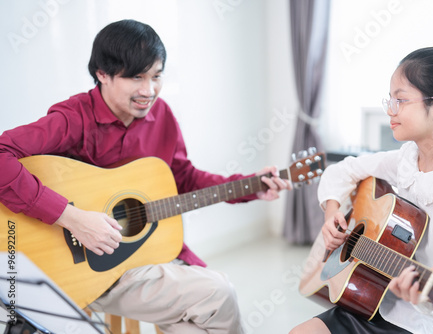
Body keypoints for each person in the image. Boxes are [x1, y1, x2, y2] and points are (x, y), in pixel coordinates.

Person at [0, 19, 291, 333]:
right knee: (218, 293)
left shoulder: (161, 114)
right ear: (102, 74)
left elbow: (184, 178)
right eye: (135, 77)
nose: (148, 90)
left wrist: (249, 187)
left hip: (149, 255)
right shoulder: (74, 118)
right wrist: (72, 217)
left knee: (194, 328)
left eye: (156, 76)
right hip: (90, 270)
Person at [290, 47, 433, 334]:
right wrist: (332, 214)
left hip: (428, 324)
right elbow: (342, 171)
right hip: (378, 301)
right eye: (391, 99)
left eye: (400, 100)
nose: (390, 109)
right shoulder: (407, 158)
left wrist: (423, 293)